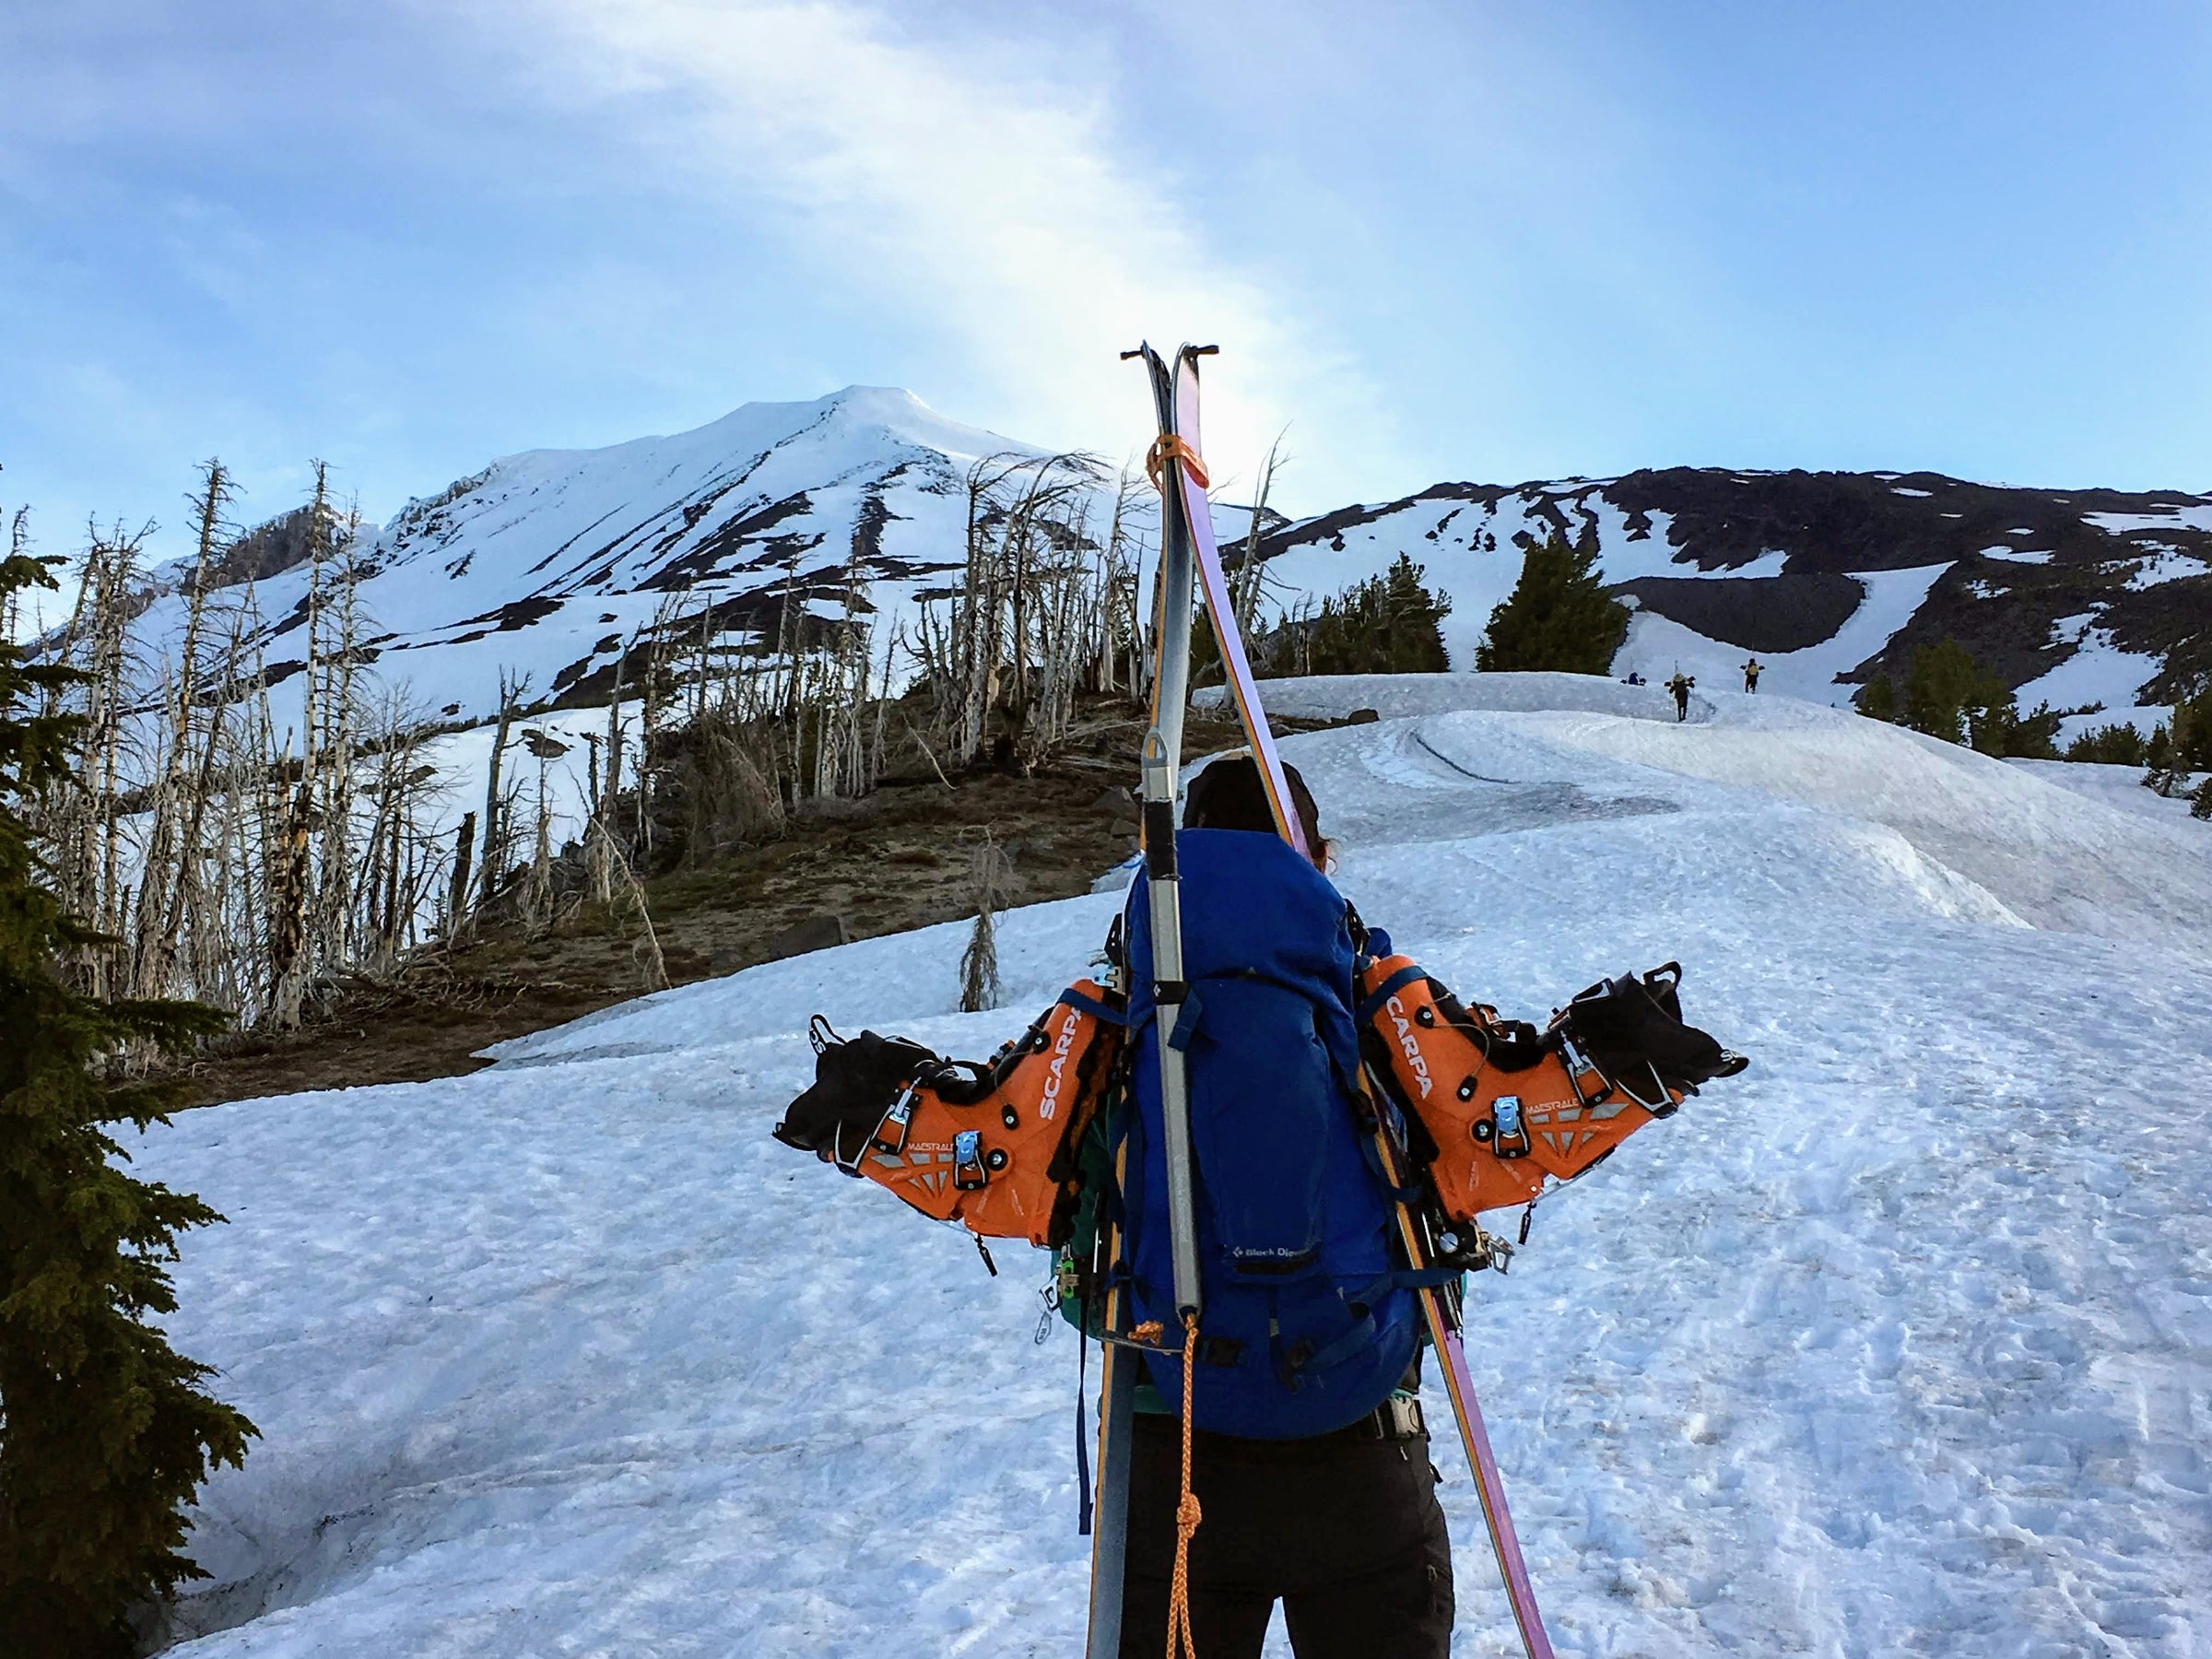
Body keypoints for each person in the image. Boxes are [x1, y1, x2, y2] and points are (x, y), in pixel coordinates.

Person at [1071, 755, 1453, 1659]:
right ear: (1317, 857)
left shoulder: (1116, 1023)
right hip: (1367, 1443)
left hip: (1175, 1457)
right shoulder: (1378, 1007)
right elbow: (1466, 1175)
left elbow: (1076, 1249)